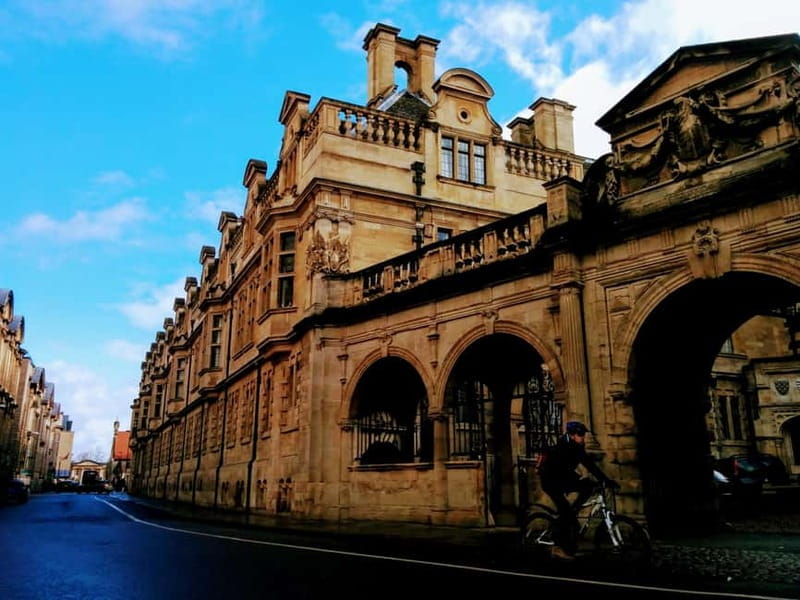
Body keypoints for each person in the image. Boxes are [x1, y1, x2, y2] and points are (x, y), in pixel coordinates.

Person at [537, 420, 619, 560]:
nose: (583, 437)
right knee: (567, 514)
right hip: (551, 481)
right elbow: (587, 463)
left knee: (588, 486)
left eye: (583, 434)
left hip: (563, 477)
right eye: (580, 434)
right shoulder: (565, 445)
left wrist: (605, 480)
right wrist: (604, 479)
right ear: (572, 435)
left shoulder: (576, 446)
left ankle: (574, 510)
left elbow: (588, 464)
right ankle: (557, 547)